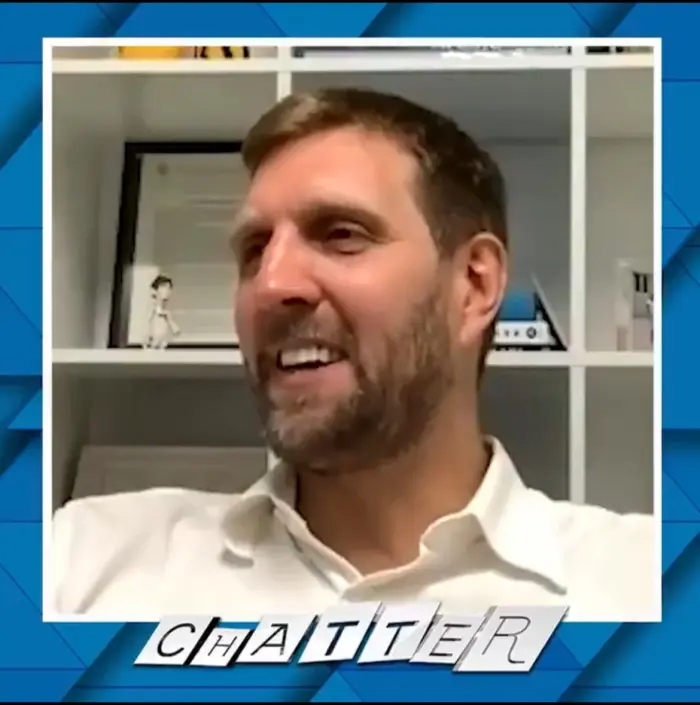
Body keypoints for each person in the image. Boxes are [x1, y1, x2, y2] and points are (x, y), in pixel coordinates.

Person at [51, 88, 656, 623]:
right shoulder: (82, 562)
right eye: (255, 249)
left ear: (473, 285)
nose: (270, 285)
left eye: (342, 234)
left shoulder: (640, 584)